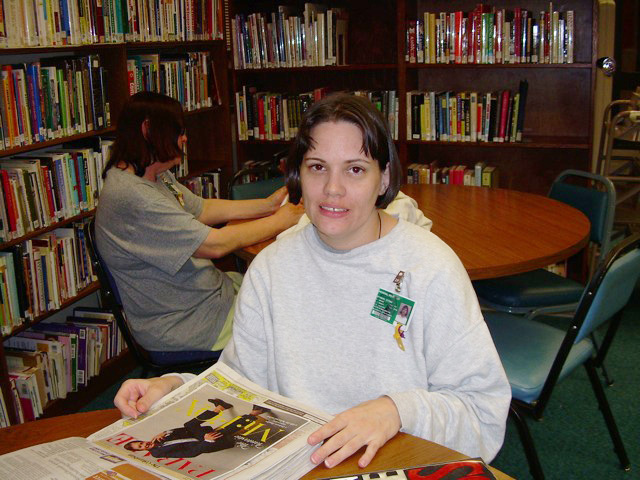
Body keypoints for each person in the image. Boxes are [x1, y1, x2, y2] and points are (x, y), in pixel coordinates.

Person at [114, 93, 510, 470]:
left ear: (384, 178)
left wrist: (395, 410)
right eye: (317, 167)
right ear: (297, 177)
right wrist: (173, 389)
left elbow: (482, 414)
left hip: (398, 460)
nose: (333, 189)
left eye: (355, 169)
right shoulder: (271, 269)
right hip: (301, 464)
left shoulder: (431, 267)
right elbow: (240, 385)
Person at [95, 92, 303, 352]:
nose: (184, 138)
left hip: (205, 295)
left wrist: (267, 206)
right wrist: (281, 220)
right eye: (177, 131)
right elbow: (213, 245)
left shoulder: (151, 173)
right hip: (188, 321)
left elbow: (202, 208)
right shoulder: (135, 198)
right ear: (148, 130)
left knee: (286, 292)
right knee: (292, 324)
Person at [123, 402, 269, 458]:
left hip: (199, 436)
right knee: (219, 434)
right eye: (141, 447)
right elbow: (190, 453)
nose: (145, 445)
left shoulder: (156, 440)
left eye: (141, 443)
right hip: (204, 443)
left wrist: (166, 432)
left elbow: (182, 432)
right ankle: (255, 413)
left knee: (189, 424)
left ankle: (220, 408)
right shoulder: (158, 452)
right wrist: (206, 440)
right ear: (141, 451)